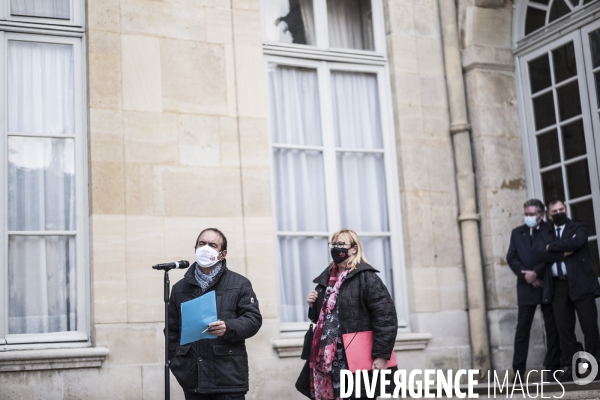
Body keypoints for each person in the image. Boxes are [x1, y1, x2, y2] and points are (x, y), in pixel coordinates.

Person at [296, 229, 397, 400]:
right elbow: (321, 319)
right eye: (334, 244)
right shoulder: (327, 279)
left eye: (341, 244)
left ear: (354, 249)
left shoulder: (366, 277)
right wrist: (313, 305)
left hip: (356, 356)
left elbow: (386, 317)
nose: (336, 248)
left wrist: (381, 355)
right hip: (328, 360)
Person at [167, 228, 262, 400]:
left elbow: (253, 320)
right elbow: (172, 330)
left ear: (222, 254)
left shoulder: (240, 284)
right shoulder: (179, 288)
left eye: (212, 245)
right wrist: (177, 362)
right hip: (193, 379)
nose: (205, 248)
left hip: (228, 377)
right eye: (202, 244)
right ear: (195, 248)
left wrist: (228, 327)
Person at [535, 199, 600, 381]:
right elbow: (538, 253)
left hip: (581, 282)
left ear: (566, 209)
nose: (559, 213)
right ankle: (572, 368)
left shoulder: (579, 226)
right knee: (564, 329)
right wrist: (563, 250)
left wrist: (552, 248)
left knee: (589, 326)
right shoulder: (544, 233)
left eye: (561, 209)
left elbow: (577, 243)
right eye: (554, 211)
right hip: (558, 286)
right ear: (549, 215)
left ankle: (595, 367)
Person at [506, 199, 561, 378]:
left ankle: (553, 368)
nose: (528, 217)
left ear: (541, 215)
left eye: (531, 214)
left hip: (546, 283)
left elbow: (551, 253)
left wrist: (536, 273)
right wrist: (527, 276)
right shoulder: (517, 233)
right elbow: (511, 257)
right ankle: (519, 372)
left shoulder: (549, 229)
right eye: (526, 214)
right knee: (522, 330)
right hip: (526, 287)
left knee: (552, 327)